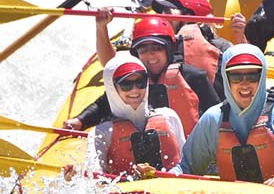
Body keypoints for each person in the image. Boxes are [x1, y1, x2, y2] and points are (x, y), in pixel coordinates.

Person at [148, 44, 274, 190]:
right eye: (236, 76)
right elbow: (186, 167)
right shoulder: (213, 119)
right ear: (226, 78)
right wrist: (157, 180)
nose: (244, 83)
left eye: (252, 76)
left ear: (262, 77)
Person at [64, 15, 220, 135]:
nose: (150, 54)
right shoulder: (133, 78)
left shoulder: (193, 77)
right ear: (136, 54)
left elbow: (216, 114)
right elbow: (105, 104)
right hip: (149, 145)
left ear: (169, 49)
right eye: (143, 50)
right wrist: (80, 120)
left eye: (156, 47)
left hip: (189, 146)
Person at [64, 53, 185, 181]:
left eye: (140, 82)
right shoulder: (102, 133)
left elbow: (188, 165)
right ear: (112, 88)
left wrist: (161, 175)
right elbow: (97, 181)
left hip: (176, 190)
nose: (135, 90)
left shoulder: (169, 116)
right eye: (126, 84)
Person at [151, 0, 231, 84]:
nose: (163, 16)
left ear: (189, 16)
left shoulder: (221, 47)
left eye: (168, 11)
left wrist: (240, 36)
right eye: (162, 12)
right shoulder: (160, 48)